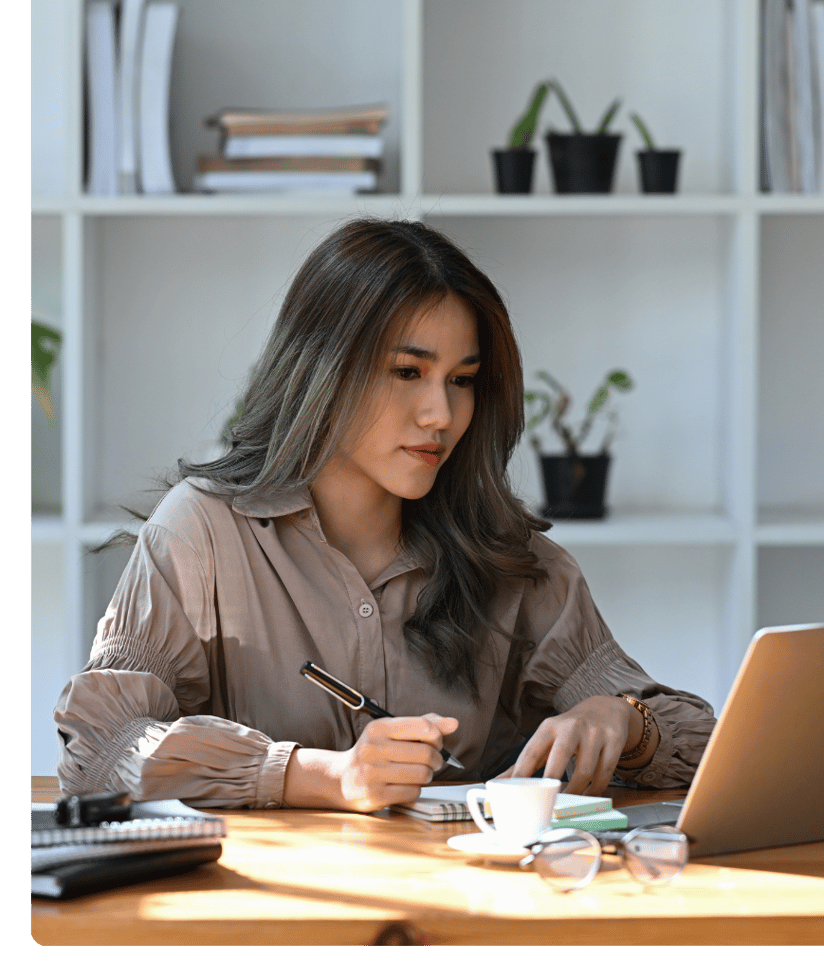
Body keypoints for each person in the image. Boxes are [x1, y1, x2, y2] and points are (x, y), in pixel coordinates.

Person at [54, 218, 716, 814]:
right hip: (267, 922)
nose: (441, 414)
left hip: (469, 919)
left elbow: (708, 742)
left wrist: (623, 719)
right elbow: (103, 749)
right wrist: (318, 775)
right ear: (324, 369)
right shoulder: (202, 534)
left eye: (461, 380)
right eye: (408, 372)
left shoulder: (508, 556)